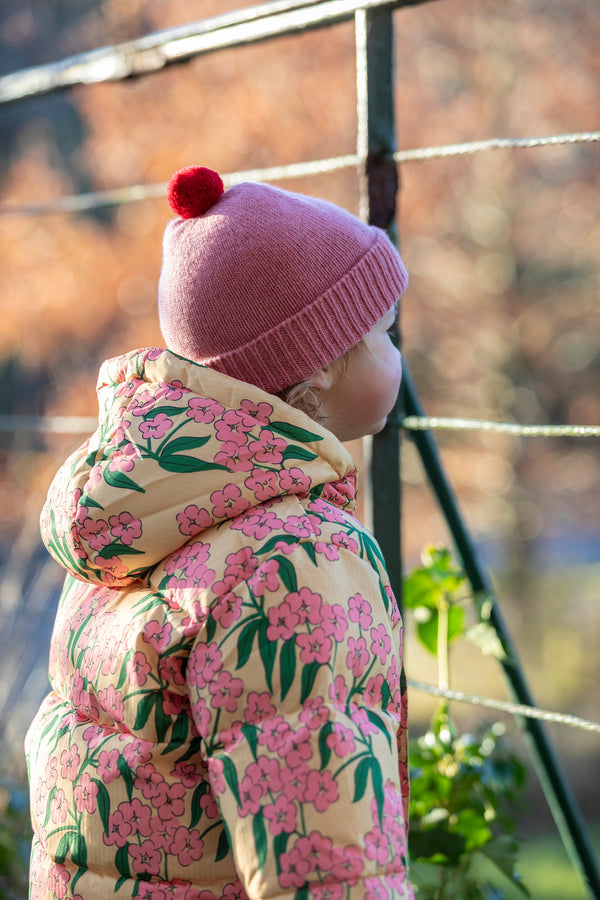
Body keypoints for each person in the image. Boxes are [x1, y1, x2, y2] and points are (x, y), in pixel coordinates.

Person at [26, 165, 412, 900]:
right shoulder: (296, 562)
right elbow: (325, 863)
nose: (399, 356)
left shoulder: (138, 509)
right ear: (318, 368)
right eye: (384, 333)